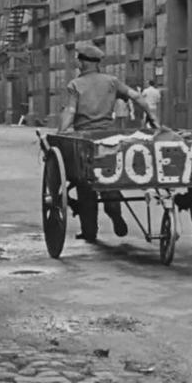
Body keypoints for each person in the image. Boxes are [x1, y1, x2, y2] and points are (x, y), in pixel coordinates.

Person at [60, 45, 159, 242]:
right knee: (110, 176)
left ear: (83, 62)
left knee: (85, 184)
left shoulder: (75, 85)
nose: (78, 64)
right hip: (109, 138)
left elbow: (70, 112)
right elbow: (136, 97)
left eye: (80, 61)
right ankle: (115, 212)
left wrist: (62, 133)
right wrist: (153, 117)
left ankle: (90, 231)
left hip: (85, 139)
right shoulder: (112, 82)